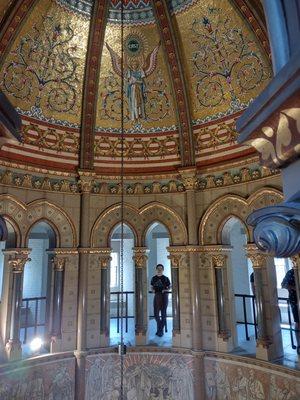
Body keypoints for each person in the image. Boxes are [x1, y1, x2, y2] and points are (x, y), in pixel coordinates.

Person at [281, 268, 300, 353]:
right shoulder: (291, 272)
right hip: (295, 301)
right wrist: (294, 287)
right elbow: (283, 284)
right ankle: (299, 344)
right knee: (298, 322)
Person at [150, 264, 170, 337]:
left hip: (164, 296)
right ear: (156, 269)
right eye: (158, 268)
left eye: (161, 268)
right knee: (156, 314)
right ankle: (160, 329)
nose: (159, 270)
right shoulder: (153, 278)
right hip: (157, 296)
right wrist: (152, 290)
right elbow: (152, 287)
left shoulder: (166, 278)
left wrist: (165, 290)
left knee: (163, 314)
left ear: (163, 270)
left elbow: (169, 287)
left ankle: (160, 331)